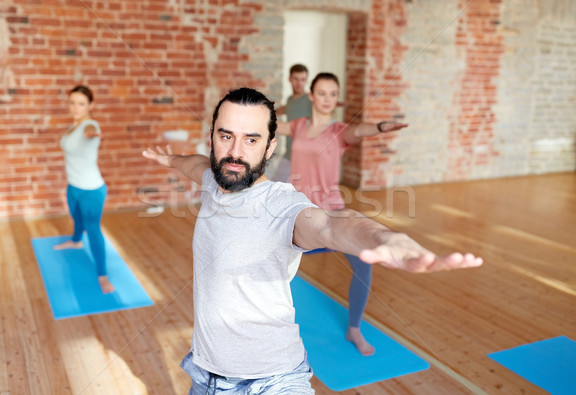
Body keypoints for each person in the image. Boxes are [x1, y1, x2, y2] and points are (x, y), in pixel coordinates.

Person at [142, 87, 482, 393]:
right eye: (225, 136)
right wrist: (169, 159)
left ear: (270, 146)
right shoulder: (212, 178)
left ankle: (355, 327)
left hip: (273, 380)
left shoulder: (282, 204)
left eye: (250, 140)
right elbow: (195, 165)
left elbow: (330, 225)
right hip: (205, 376)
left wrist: (384, 237)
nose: (234, 152)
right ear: (212, 136)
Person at [275, 72, 409, 356]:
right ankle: (267, 329)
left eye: (333, 94)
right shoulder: (297, 126)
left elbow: (358, 131)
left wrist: (380, 127)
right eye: (322, 93)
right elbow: (271, 125)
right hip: (298, 213)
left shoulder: (338, 131)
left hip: (331, 211)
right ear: (311, 96)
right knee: (272, 267)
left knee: (363, 263)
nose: (327, 99)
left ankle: (354, 328)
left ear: (337, 99)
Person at [54, 85, 114, 294]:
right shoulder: (72, 126)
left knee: (94, 229)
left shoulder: (90, 125)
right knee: (76, 218)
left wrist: (92, 133)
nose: (76, 108)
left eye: (81, 104)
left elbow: (91, 131)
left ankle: (102, 276)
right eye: (72, 103)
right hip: (73, 186)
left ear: (90, 105)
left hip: (91, 190)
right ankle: (76, 241)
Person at [270, 64, 312, 182]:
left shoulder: (311, 99)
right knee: (276, 187)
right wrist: (267, 113)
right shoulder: (290, 100)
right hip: (289, 154)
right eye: (296, 79)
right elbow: (286, 108)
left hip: (306, 157)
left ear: (307, 80)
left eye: (303, 80)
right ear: (290, 79)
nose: (299, 83)